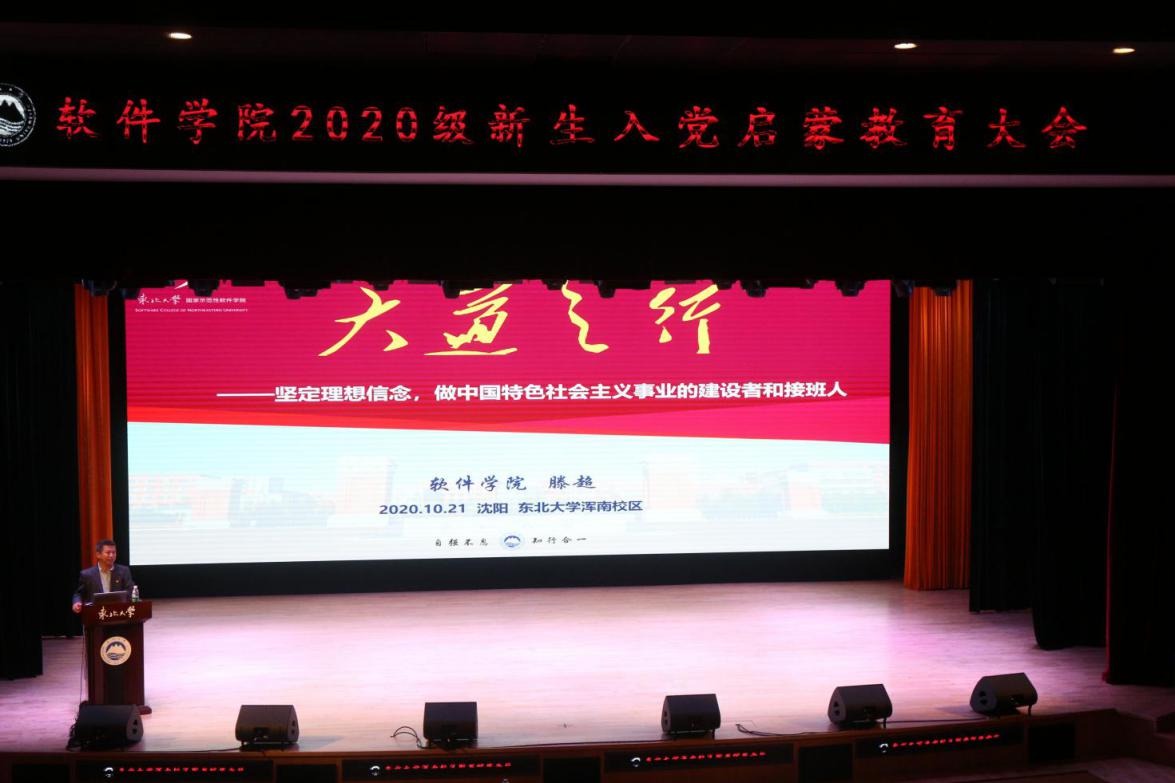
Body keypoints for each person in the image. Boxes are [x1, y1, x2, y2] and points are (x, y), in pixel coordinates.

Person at [72, 539, 136, 613]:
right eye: (108, 553)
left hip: (118, 612)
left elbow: (130, 591)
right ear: (98, 555)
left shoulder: (124, 571)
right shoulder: (87, 574)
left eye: (114, 552)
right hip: (96, 614)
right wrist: (76, 602)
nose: (111, 555)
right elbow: (79, 593)